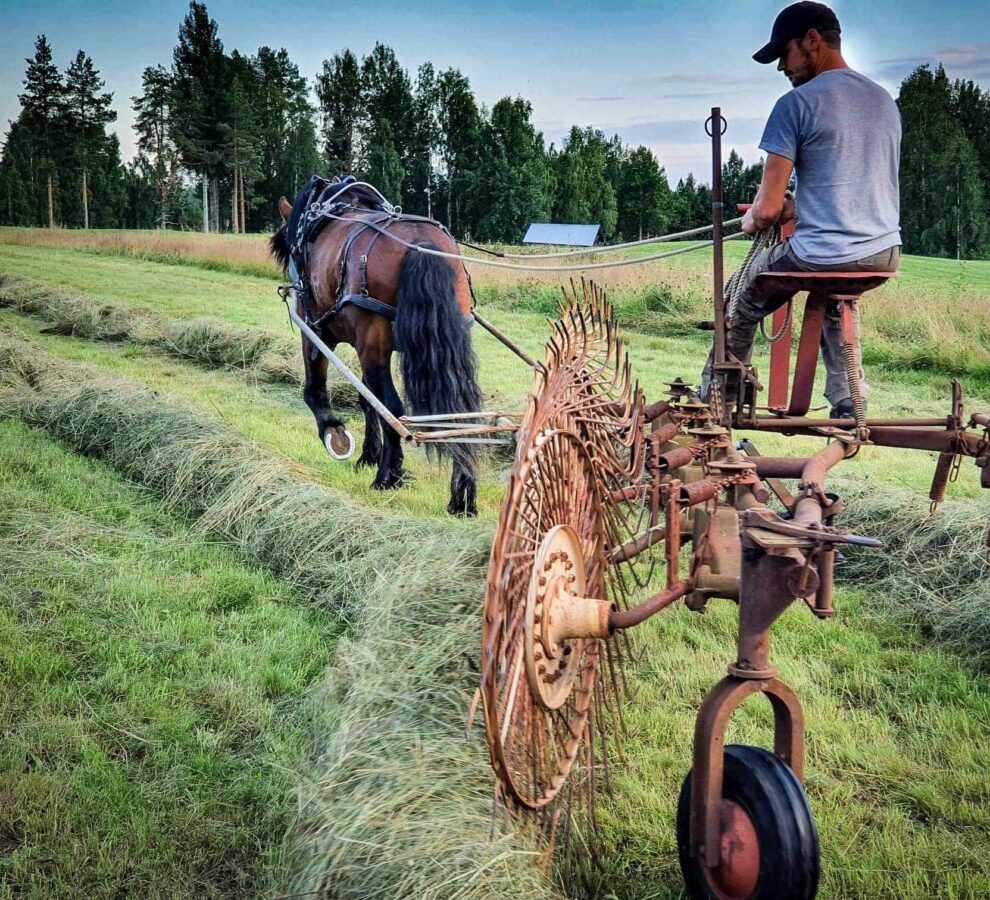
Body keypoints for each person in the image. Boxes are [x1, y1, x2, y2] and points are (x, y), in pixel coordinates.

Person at [700, 1, 902, 418]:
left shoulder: (796, 104)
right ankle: (848, 401)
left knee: (742, 297)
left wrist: (753, 218)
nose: (780, 67)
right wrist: (802, 205)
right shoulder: (883, 100)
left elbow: (768, 210)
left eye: (783, 54)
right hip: (882, 251)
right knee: (834, 294)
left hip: (821, 251)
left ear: (812, 40)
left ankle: (721, 399)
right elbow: (849, 182)